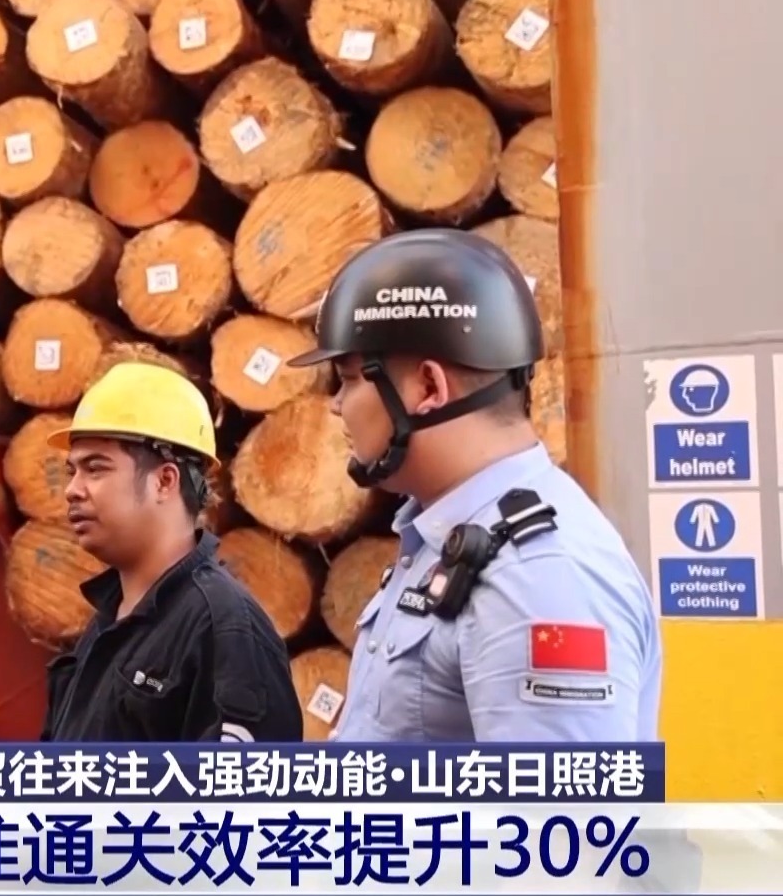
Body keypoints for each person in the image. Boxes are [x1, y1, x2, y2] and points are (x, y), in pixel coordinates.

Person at [289, 228, 661, 741]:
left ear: (428, 386)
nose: (335, 404)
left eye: (350, 378)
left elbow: (556, 797)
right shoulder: (452, 538)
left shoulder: (538, 577)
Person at [41, 361, 304, 743]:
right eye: (72, 472)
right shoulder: (108, 623)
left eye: (95, 469)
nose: (72, 490)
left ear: (165, 481)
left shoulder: (223, 630)